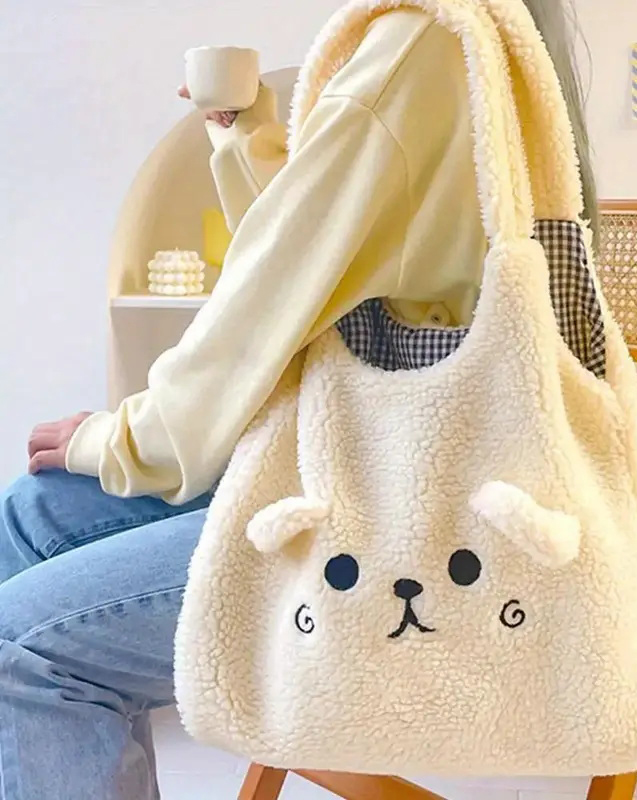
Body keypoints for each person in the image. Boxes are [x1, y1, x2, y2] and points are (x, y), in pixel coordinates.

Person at [0, 1, 598, 798]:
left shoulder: (418, 44)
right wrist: (243, 139)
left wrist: (118, 440)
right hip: (403, 467)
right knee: (33, 516)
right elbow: (325, 253)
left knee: (21, 649)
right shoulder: (485, 31)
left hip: (411, 517)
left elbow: (263, 307)